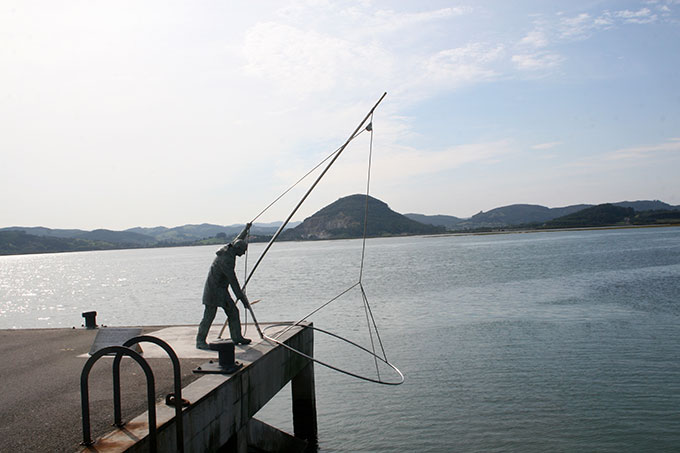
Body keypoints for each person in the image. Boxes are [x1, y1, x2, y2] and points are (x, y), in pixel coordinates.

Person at [196, 223, 253, 349]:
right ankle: (200, 341)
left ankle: (237, 337)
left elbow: (238, 239)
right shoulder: (226, 259)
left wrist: (246, 229)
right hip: (213, 290)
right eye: (243, 251)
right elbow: (233, 282)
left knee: (233, 312)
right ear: (237, 249)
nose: (243, 254)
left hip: (221, 289)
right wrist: (243, 299)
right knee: (209, 315)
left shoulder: (231, 248)